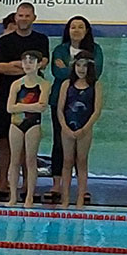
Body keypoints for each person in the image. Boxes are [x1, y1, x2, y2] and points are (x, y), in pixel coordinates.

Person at [0, 2, 47, 199]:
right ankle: (2, 182)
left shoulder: (41, 39)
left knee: (29, 143)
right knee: (4, 140)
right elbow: (0, 67)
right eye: (20, 15)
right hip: (6, 96)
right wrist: (26, 67)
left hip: (32, 96)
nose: (23, 19)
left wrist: (16, 66)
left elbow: (44, 62)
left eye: (27, 16)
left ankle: (28, 185)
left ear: (33, 18)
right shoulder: (5, 41)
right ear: (16, 17)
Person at [47, 16, 99, 185]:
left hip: (86, 103)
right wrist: (75, 73)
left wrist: (68, 68)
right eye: (72, 27)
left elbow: (95, 73)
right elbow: (57, 73)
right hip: (60, 102)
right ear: (68, 31)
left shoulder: (95, 50)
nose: (76, 30)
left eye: (80, 27)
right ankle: (57, 184)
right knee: (59, 143)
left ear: (87, 31)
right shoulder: (59, 50)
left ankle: (81, 187)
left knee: (82, 150)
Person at [54, 52, 102, 207]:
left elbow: (96, 110)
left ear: (91, 67)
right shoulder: (66, 84)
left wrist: (86, 128)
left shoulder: (95, 85)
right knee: (67, 162)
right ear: (74, 66)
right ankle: (65, 198)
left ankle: (81, 197)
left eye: (85, 66)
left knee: (81, 162)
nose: (81, 69)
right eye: (79, 65)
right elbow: (60, 109)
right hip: (67, 127)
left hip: (85, 129)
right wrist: (65, 127)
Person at [5, 50, 51, 206]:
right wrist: (32, 106)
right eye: (25, 61)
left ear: (39, 64)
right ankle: (12, 196)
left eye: (31, 61)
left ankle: (30, 196)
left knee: (31, 160)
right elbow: (10, 108)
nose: (28, 64)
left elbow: (42, 107)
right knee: (14, 160)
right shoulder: (16, 84)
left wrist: (21, 106)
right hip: (16, 124)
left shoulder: (44, 84)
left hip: (33, 125)